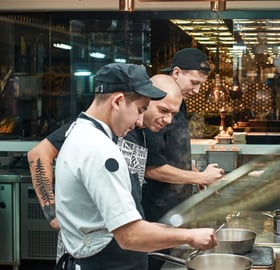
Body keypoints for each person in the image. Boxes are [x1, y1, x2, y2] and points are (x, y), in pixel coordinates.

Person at [32, 63, 217, 270]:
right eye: (141, 109)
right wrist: (54, 214)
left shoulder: (92, 133)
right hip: (98, 255)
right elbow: (129, 235)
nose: (139, 121)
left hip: (109, 244)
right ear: (118, 101)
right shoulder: (98, 147)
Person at [142, 48, 225, 270]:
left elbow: (173, 150)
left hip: (175, 206)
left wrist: (196, 174)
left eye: (201, 84)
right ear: (176, 72)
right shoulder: (157, 103)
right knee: (154, 263)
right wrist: (199, 178)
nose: (197, 90)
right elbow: (151, 167)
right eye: (194, 82)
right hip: (155, 208)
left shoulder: (180, 102)